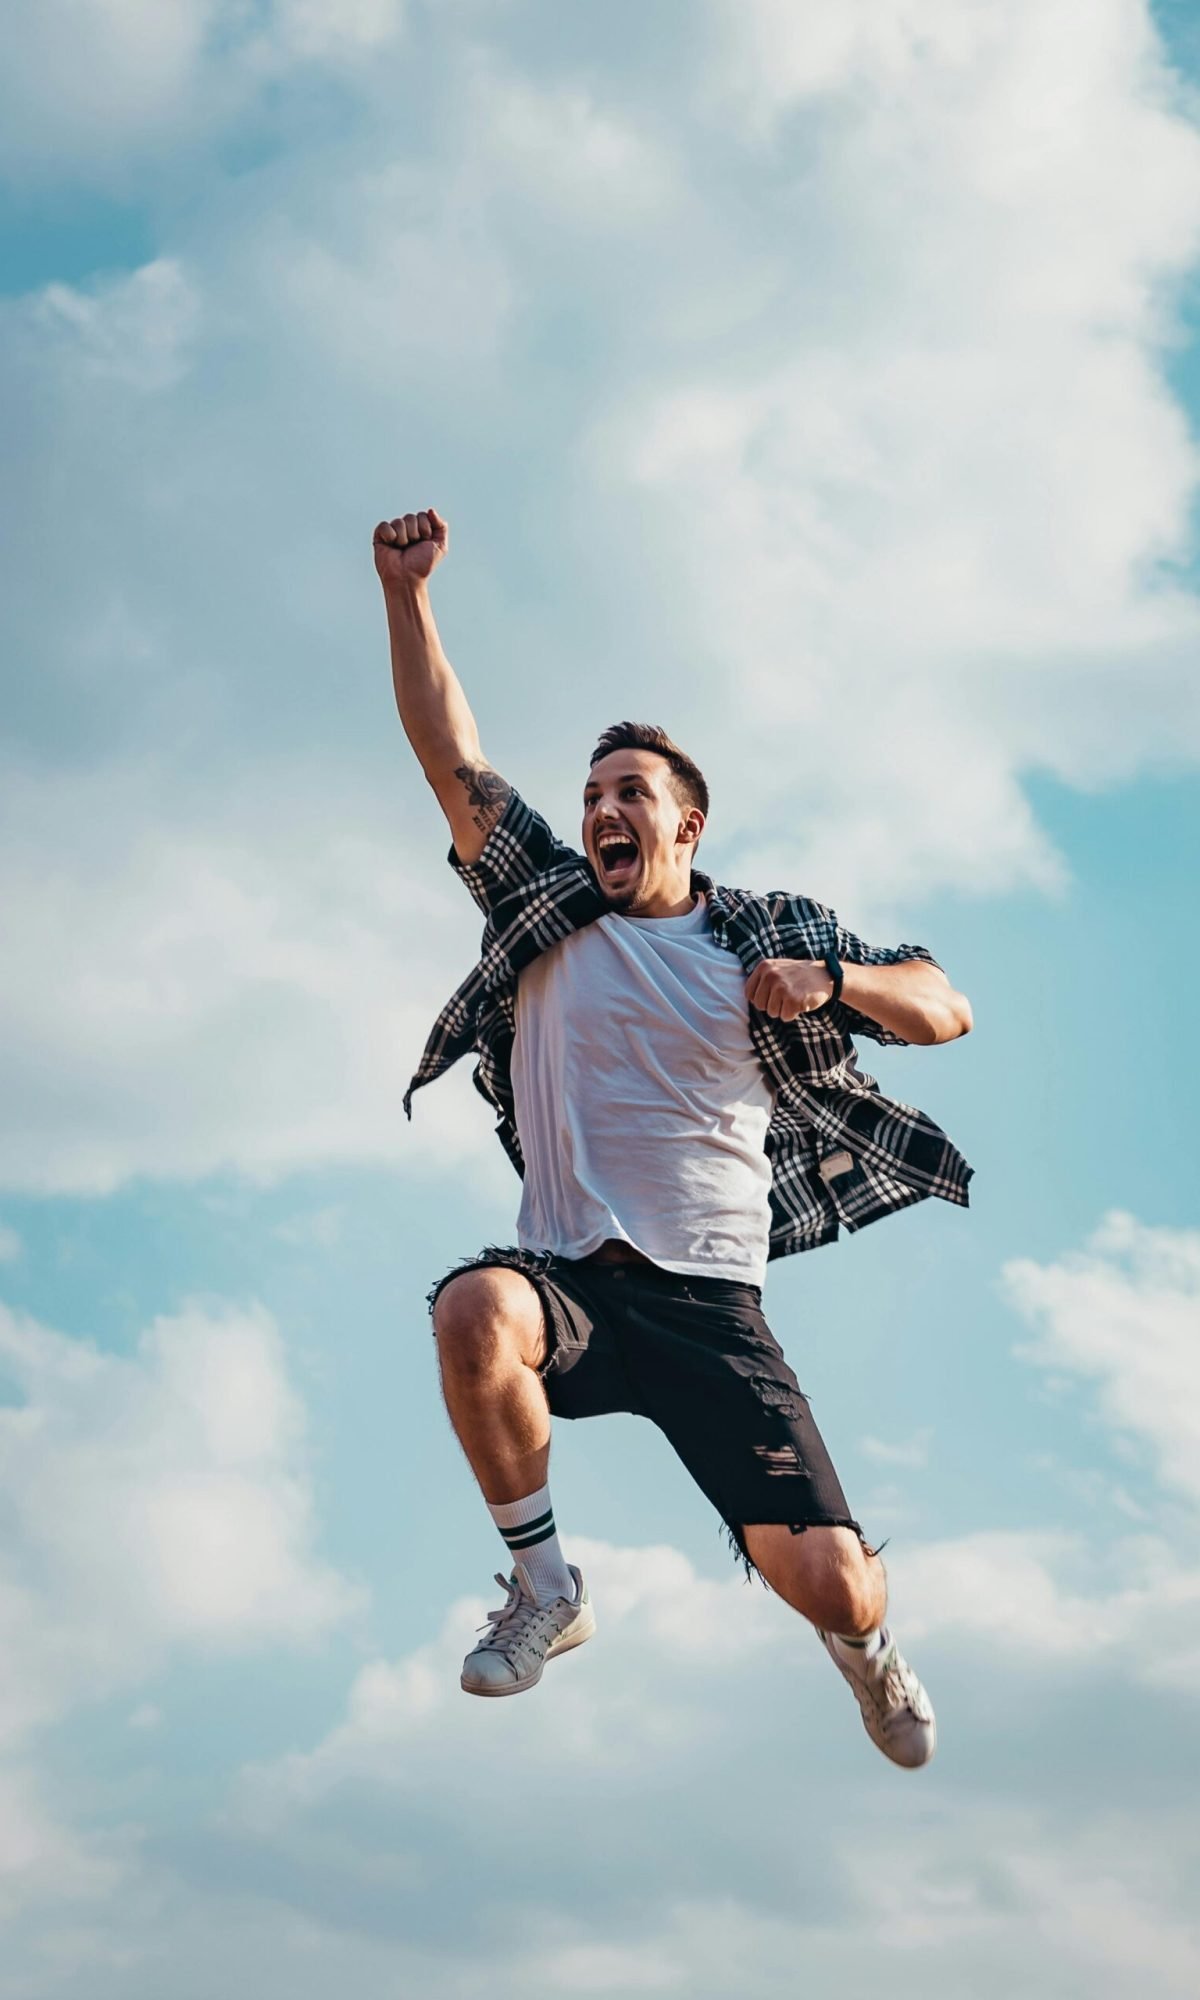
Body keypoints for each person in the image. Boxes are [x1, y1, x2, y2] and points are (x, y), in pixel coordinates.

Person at [376, 506, 974, 1768]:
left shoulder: (758, 930)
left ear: (686, 825)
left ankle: (865, 1651)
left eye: (629, 793)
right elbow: (450, 756)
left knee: (838, 1583)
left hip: (711, 1307)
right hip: (570, 1281)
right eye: (592, 792)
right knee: (474, 1309)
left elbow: (943, 1002)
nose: (602, 808)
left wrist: (834, 979)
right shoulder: (545, 899)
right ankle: (547, 1587)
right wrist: (408, 595)